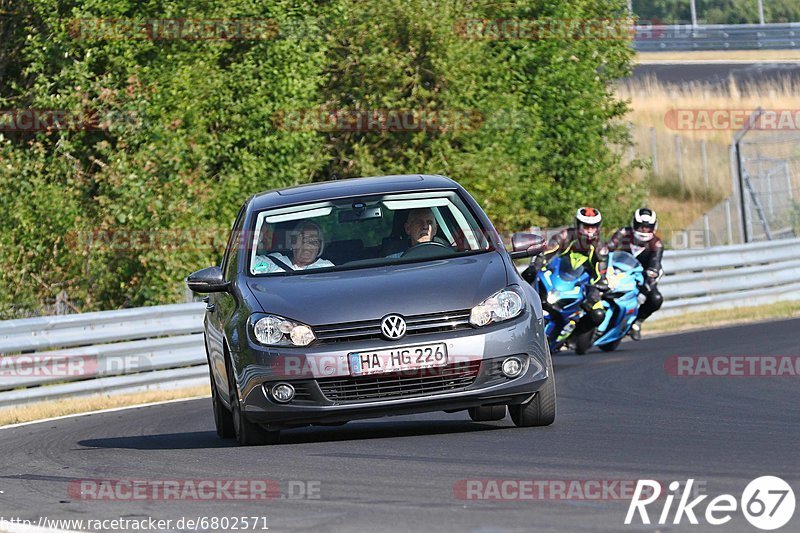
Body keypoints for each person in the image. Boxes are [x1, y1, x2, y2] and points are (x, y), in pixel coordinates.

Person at [524, 207, 608, 337]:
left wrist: (598, 287)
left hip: (584, 284)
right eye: (586, 226)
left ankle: (576, 336)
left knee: (598, 314)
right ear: (578, 224)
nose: (590, 230)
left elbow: (601, 272)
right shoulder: (564, 236)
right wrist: (535, 266)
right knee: (526, 277)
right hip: (558, 278)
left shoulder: (600, 247)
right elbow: (546, 252)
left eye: (593, 226)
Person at [604, 207, 663, 340]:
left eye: (647, 227)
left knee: (655, 299)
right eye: (641, 226)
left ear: (653, 227)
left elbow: (654, 268)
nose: (643, 230)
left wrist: (645, 291)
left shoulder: (656, 244)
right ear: (634, 224)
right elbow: (607, 249)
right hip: (617, 273)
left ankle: (637, 322)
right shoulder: (623, 233)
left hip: (642, 278)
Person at [252, 220, 334, 273]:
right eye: (303, 239)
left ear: (320, 247)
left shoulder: (326, 267)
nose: (307, 245)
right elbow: (248, 265)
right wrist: (260, 234)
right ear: (292, 242)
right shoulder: (273, 262)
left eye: (313, 241)